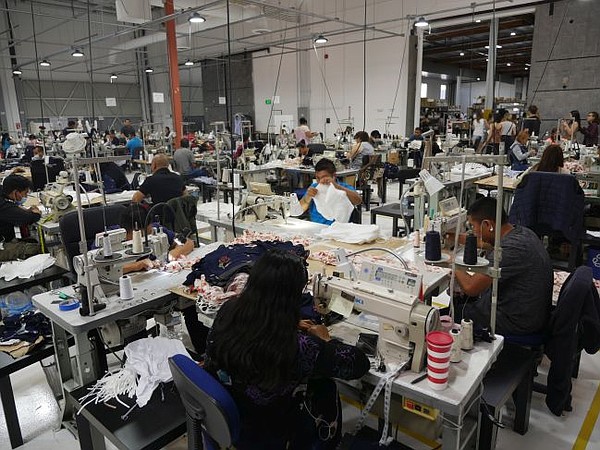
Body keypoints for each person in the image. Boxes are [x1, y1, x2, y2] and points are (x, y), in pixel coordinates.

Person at [205, 249, 370, 449]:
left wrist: (288, 323)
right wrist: (325, 340)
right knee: (325, 386)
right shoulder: (297, 348)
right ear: (291, 298)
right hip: (271, 433)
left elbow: (260, 325)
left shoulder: (228, 311)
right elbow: (359, 364)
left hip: (234, 418)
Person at [453, 197, 553, 336]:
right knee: (462, 302)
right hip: (530, 312)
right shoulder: (521, 233)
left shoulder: (510, 249)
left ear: (488, 224)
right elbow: (487, 244)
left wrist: (451, 260)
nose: (473, 232)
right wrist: (454, 237)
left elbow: (471, 287)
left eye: (473, 227)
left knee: (447, 314)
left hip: (516, 322)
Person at [300, 158, 362, 224]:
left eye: (324, 177)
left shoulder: (343, 187)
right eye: (318, 178)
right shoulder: (314, 187)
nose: (321, 181)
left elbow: (358, 201)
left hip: (337, 229)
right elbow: (300, 209)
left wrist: (337, 187)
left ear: (334, 176)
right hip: (316, 226)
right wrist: (308, 197)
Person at [0, 175, 41, 261]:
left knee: (32, 241)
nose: (25, 196)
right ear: (15, 192)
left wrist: (20, 209)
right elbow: (26, 219)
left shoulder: (3, 195)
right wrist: (36, 214)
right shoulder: (4, 206)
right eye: (25, 193)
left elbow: (13, 209)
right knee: (35, 249)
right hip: (2, 245)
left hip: (5, 240)